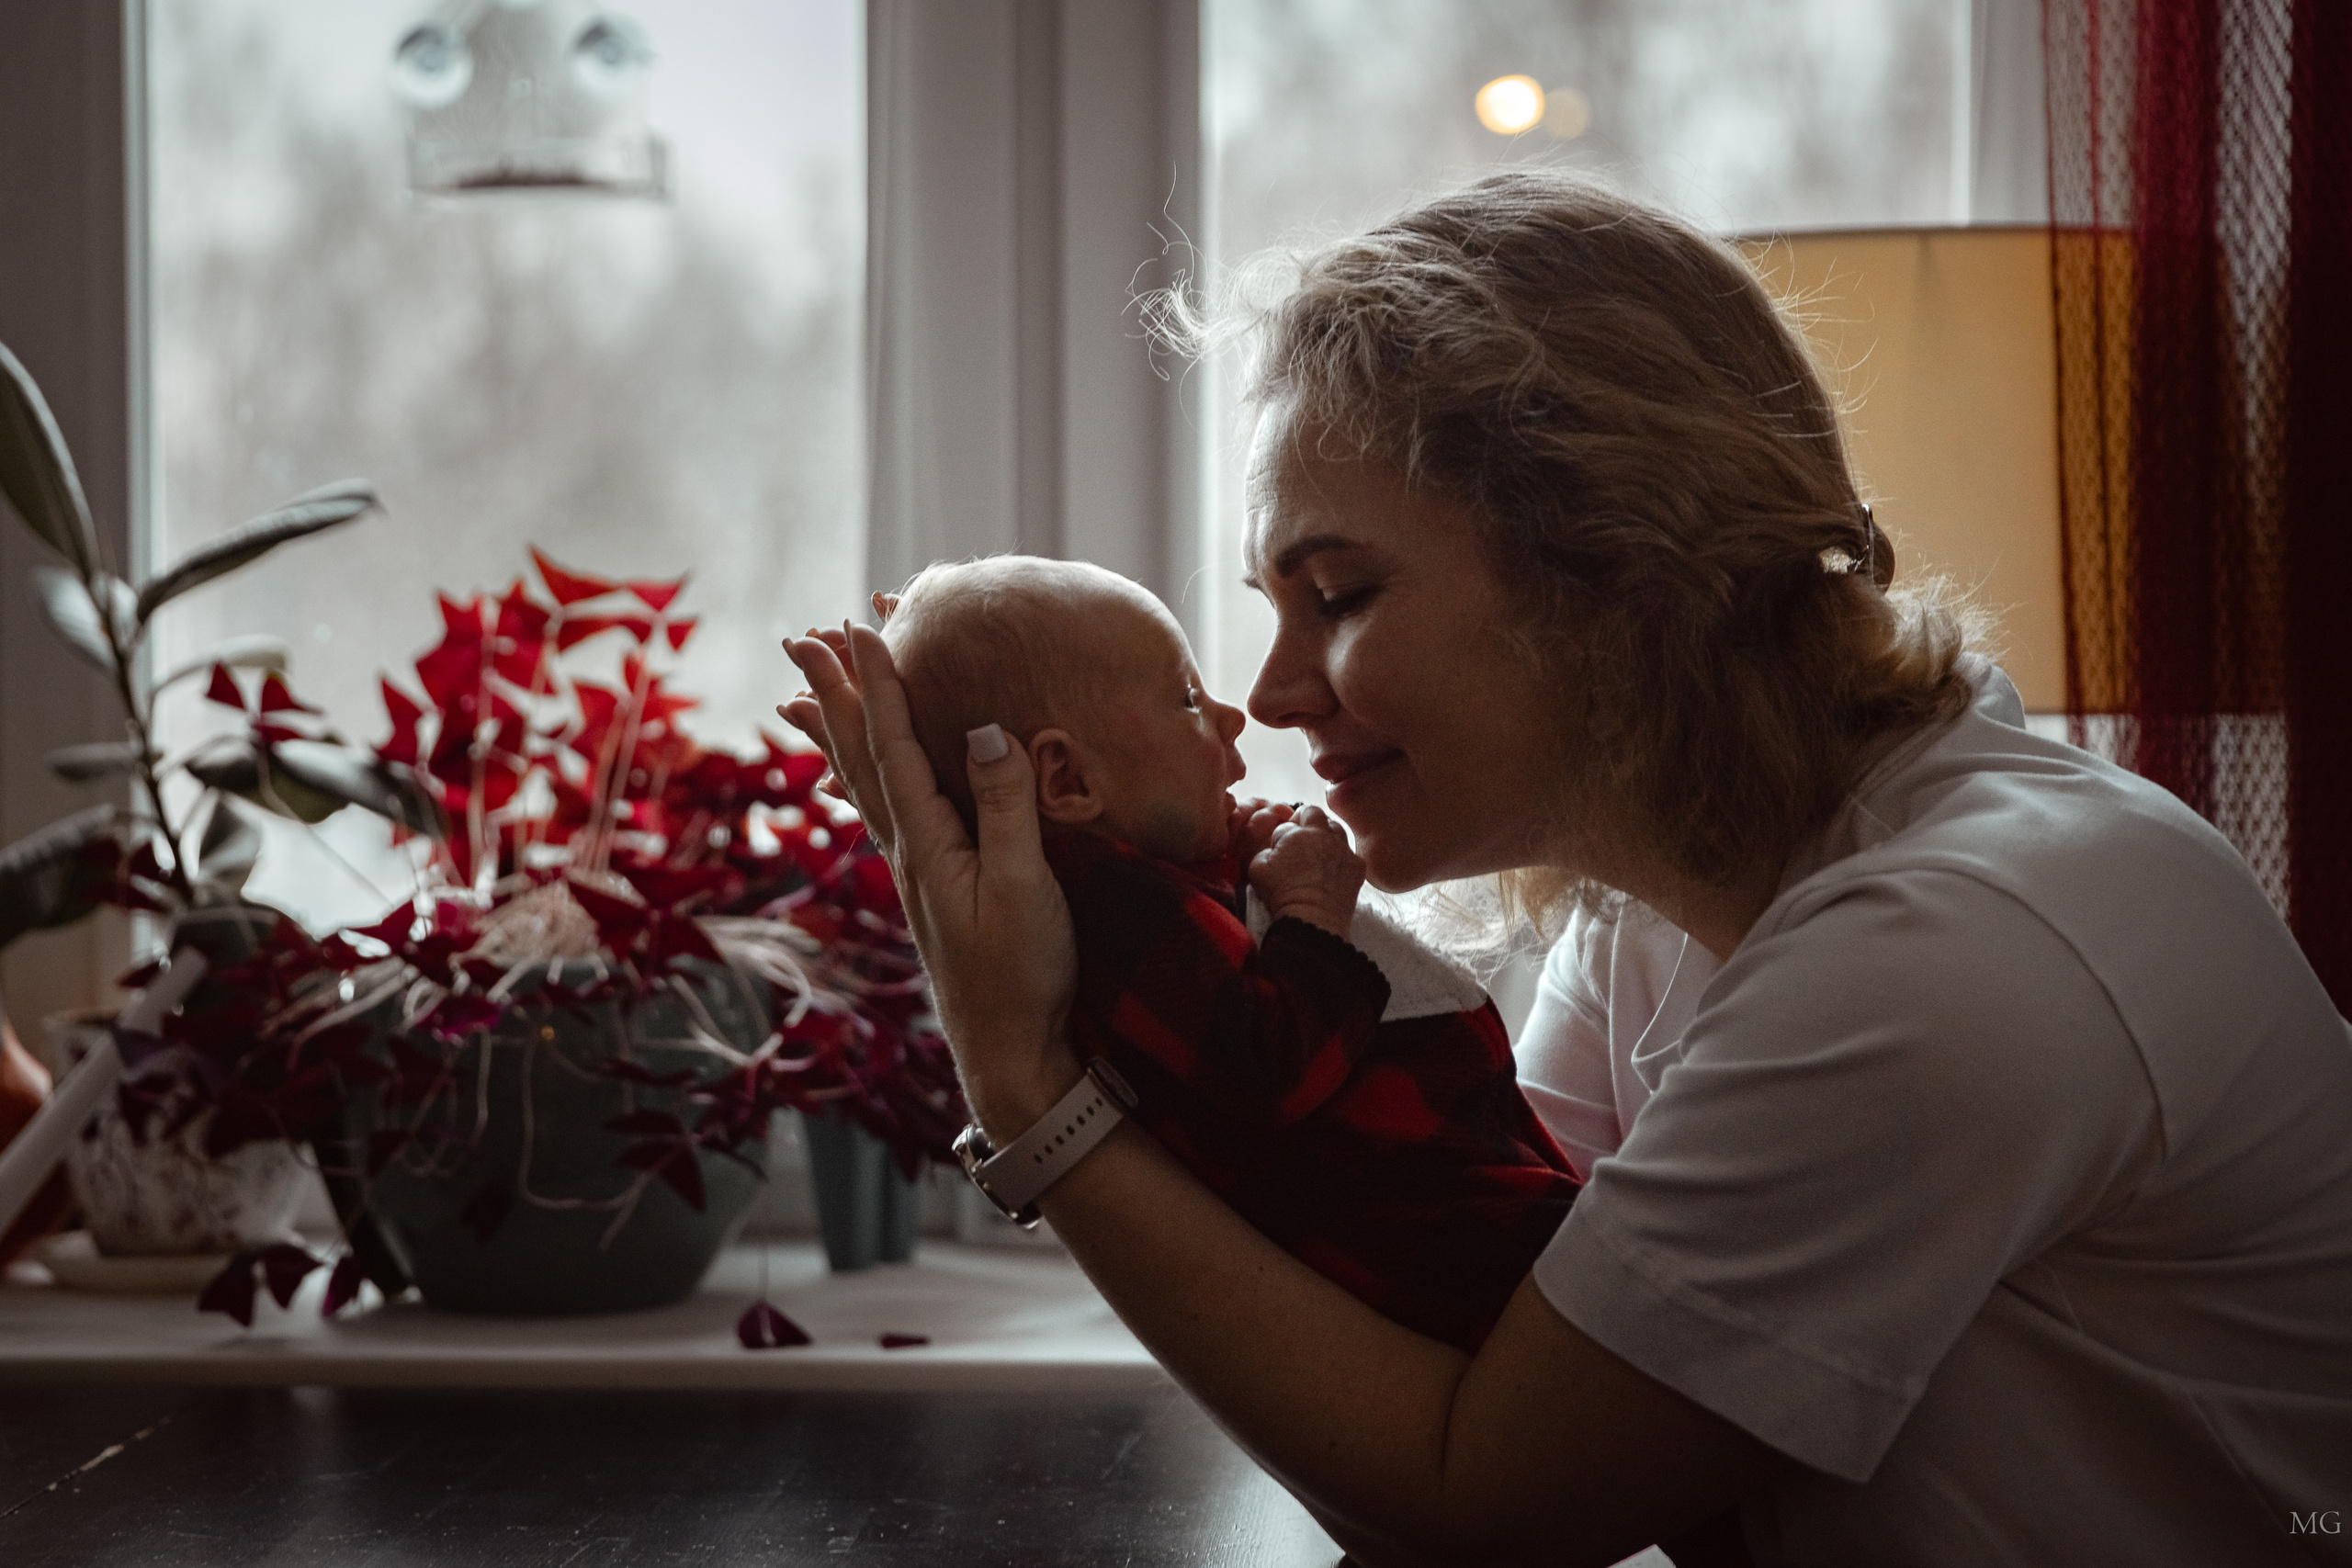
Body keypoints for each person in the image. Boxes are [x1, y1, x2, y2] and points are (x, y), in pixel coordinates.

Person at [783, 171, 2352, 1566]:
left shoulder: (1953, 954)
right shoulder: (1654, 908)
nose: (1266, 695)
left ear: (1617, 568)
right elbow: (1442, 1362)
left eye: (1335, 591)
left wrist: (1028, 1084)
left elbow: (1491, 1503)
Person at [878, 555, 1580, 1354]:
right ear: (1066, 777)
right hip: (1432, 1233)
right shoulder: (1120, 905)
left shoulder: (1145, 887)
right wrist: (1309, 912)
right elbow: (1267, 1066)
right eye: (1184, 696)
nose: (1231, 712)